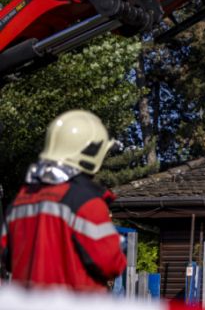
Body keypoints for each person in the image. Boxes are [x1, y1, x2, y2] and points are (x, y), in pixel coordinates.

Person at [0, 110, 125, 291]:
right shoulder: (87, 203)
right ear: (92, 152)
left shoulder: (21, 200)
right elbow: (111, 263)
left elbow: (6, 258)